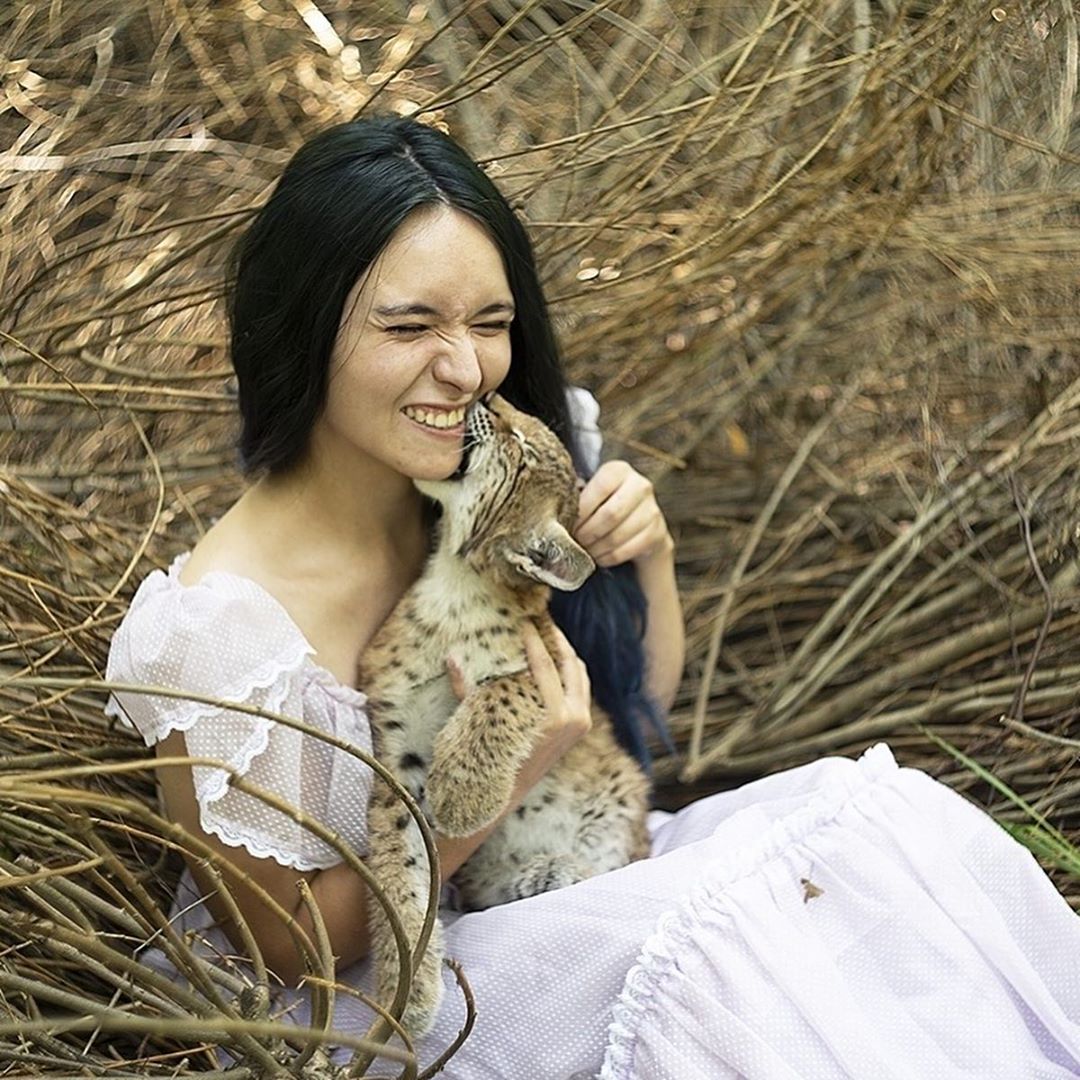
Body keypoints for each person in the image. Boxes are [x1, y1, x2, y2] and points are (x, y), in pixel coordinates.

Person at [106, 116, 1080, 1079]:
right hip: (393, 994)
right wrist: (490, 789)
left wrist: (646, 559)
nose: (467, 370)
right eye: (409, 326)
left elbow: (627, 705)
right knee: (720, 975)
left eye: (491, 324)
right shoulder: (220, 630)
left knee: (881, 835)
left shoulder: (496, 476)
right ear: (303, 326)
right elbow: (288, 949)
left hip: (562, 872)